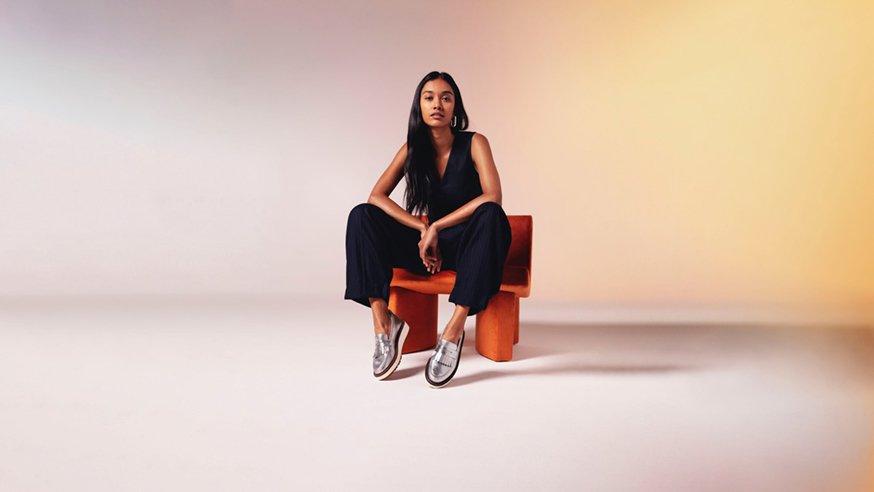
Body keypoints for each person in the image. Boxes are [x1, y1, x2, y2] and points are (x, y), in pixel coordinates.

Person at [344, 71, 512, 388]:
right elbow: (376, 196)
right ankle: (384, 324)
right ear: (419, 106)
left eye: (446, 97)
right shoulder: (412, 149)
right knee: (362, 216)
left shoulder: (475, 142)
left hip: (470, 244)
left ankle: (454, 330)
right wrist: (422, 230)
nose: (438, 104)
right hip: (429, 247)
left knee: (491, 213)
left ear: (455, 107)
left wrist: (436, 225)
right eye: (429, 97)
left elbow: (493, 195)